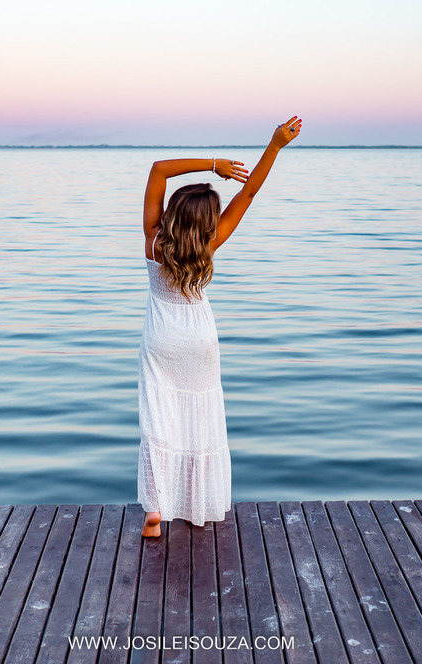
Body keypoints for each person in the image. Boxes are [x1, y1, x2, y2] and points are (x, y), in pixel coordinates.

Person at [138, 116, 303, 538]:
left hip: (161, 340)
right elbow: (249, 192)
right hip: (200, 340)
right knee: (202, 414)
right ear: (207, 222)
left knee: (158, 420)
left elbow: (158, 170)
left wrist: (213, 164)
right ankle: (199, 504)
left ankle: (156, 509)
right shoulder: (210, 245)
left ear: (173, 213)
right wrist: (274, 145)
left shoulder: (155, 243)